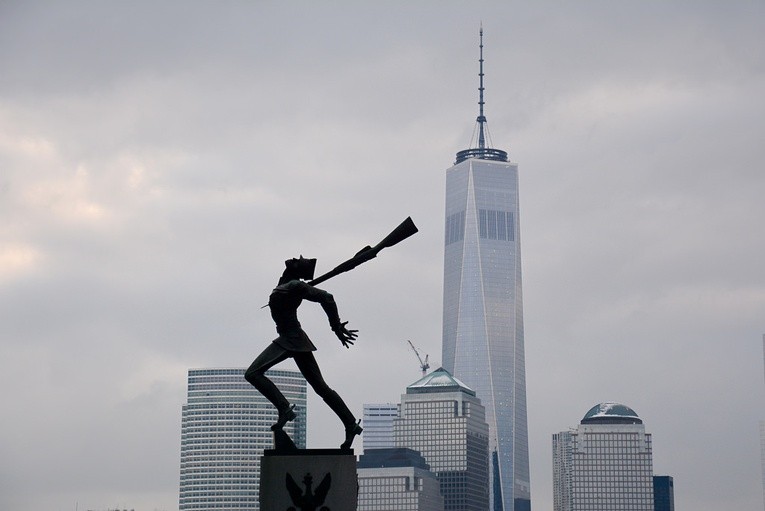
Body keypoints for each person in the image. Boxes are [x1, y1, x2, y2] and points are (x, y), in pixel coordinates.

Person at [245, 256, 363, 450]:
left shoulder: (295, 286)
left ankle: (284, 408)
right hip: (292, 338)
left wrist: (336, 327)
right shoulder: (287, 285)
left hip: (291, 338)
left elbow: (327, 297)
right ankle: (350, 423)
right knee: (320, 387)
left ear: (299, 269)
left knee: (253, 373)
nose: (294, 258)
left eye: (299, 260)